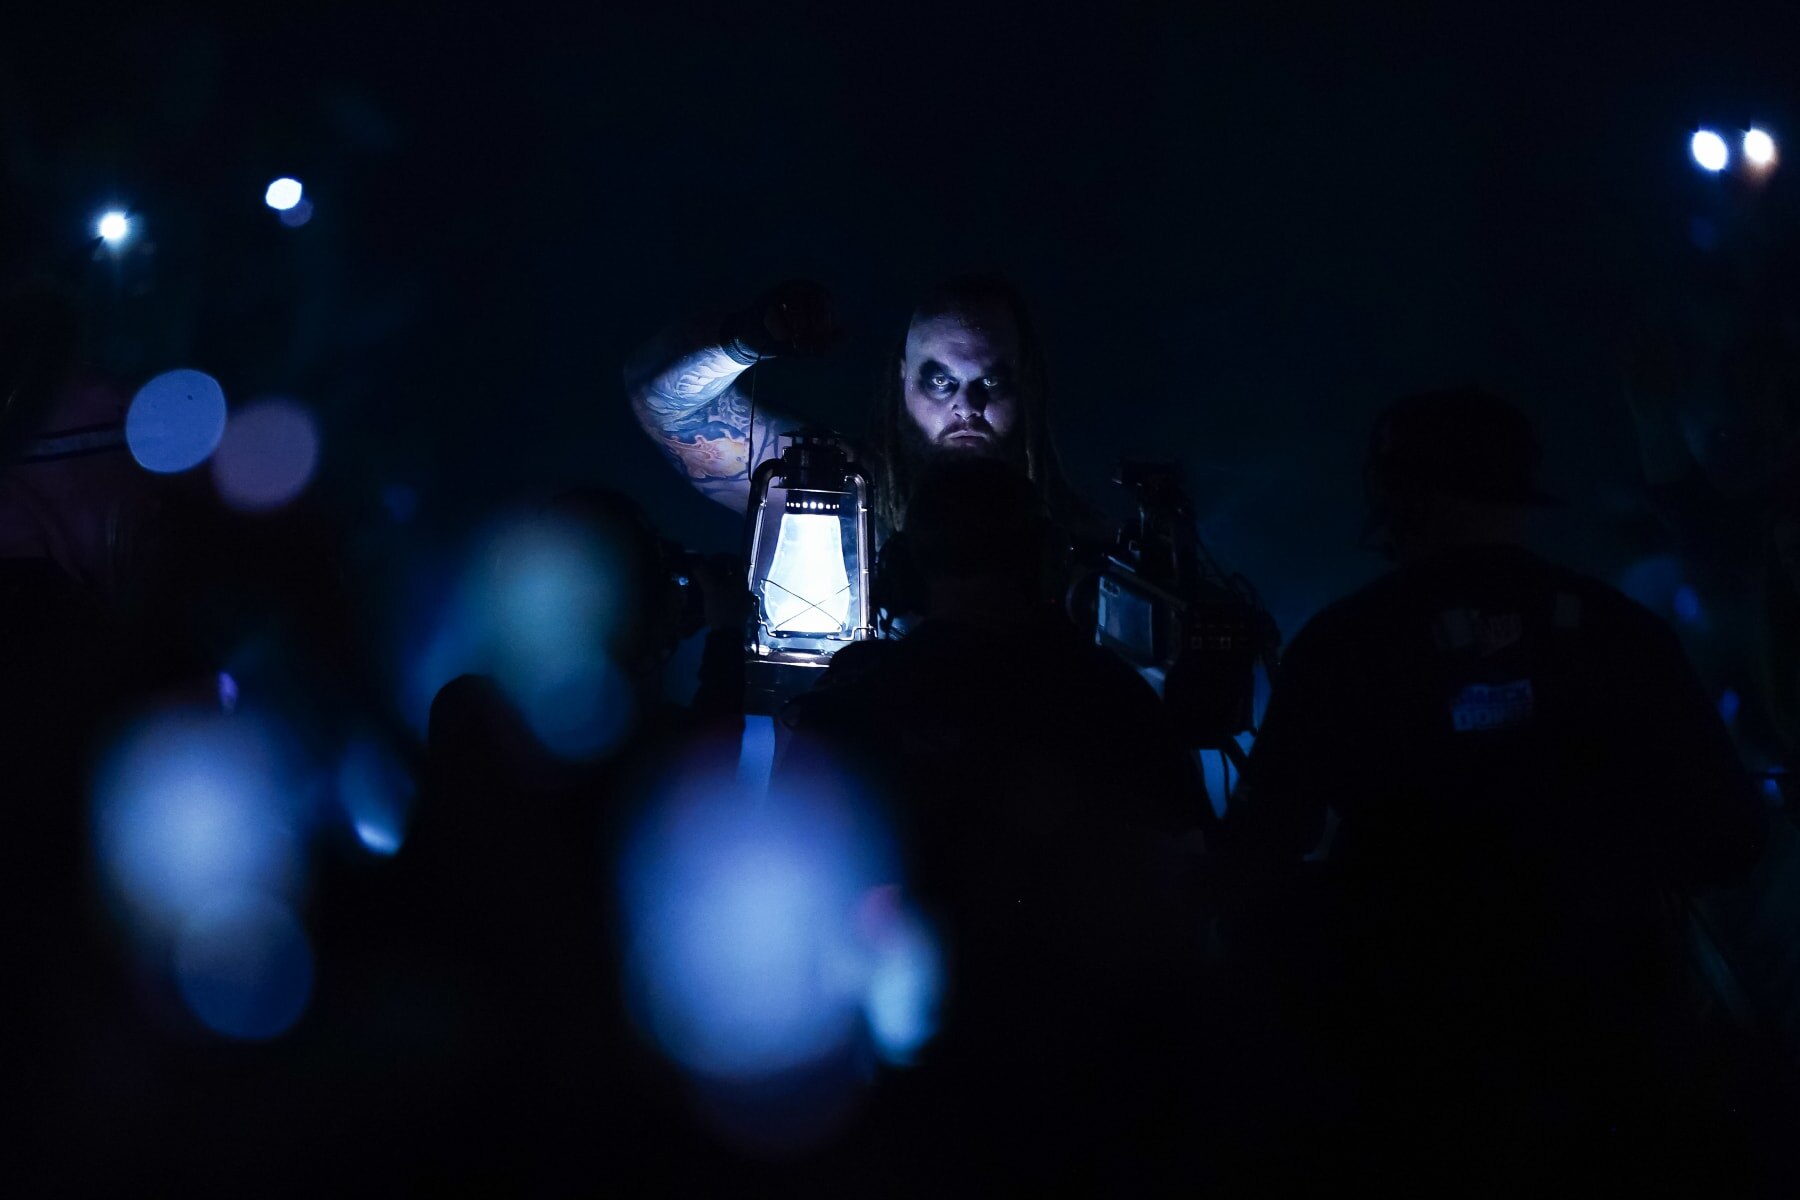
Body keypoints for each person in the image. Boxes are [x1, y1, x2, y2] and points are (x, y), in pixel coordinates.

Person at [1226, 387, 1768, 1186]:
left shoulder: (1345, 647)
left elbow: (1260, 850)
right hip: (1616, 1054)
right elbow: (1730, 837)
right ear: (1519, 490)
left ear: (1389, 494)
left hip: (1413, 1069)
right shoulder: (1620, 634)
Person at [622, 276, 1079, 540]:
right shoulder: (839, 493)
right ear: (903, 377)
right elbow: (667, 408)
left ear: (1025, 381)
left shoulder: (1083, 543)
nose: (967, 405)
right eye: (940, 381)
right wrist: (747, 340)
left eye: (991, 381)